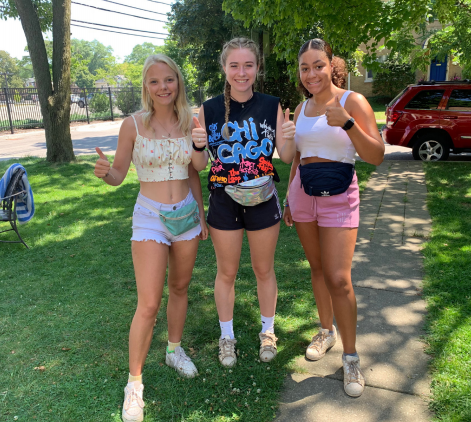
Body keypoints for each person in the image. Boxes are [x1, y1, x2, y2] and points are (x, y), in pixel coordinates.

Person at [94, 54, 208, 422]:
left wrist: (202, 216)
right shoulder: (133, 125)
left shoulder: (191, 120)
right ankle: (135, 384)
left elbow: (197, 170)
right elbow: (118, 176)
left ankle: (174, 350)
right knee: (148, 303)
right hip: (149, 217)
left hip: (186, 214)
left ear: (178, 82)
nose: (163, 87)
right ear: (146, 86)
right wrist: (105, 172)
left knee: (180, 287)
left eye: (169, 80)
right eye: (155, 81)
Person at [282, 39, 384, 398]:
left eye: (318, 65)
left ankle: (351, 357)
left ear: (331, 65)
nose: (312, 73)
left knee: (339, 278)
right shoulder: (301, 108)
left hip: (340, 197)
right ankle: (326, 330)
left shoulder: (351, 101)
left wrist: (349, 123)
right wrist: (289, 199)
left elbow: (376, 156)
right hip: (303, 195)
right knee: (317, 269)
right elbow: (296, 156)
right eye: (305, 68)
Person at [191, 37, 296, 367]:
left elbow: (287, 157)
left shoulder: (271, 105)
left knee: (264, 270)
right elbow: (198, 167)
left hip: (263, 197)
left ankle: (268, 331)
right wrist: (196, 147)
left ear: (257, 67)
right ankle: (227, 337)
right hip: (223, 200)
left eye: (247, 65)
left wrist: (289, 137)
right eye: (234, 65)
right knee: (227, 272)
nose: (241, 72)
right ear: (224, 69)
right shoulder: (206, 110)